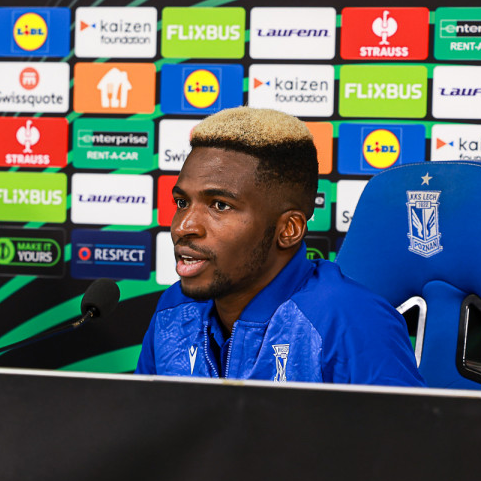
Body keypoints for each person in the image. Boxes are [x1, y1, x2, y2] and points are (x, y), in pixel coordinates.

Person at [136, 106, 426, 386]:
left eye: (220, 205)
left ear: (289, 229)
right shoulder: (175, 308)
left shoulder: (354, 322)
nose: (183, 227)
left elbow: (404, 423)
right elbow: (146, 417)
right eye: (182, 202)